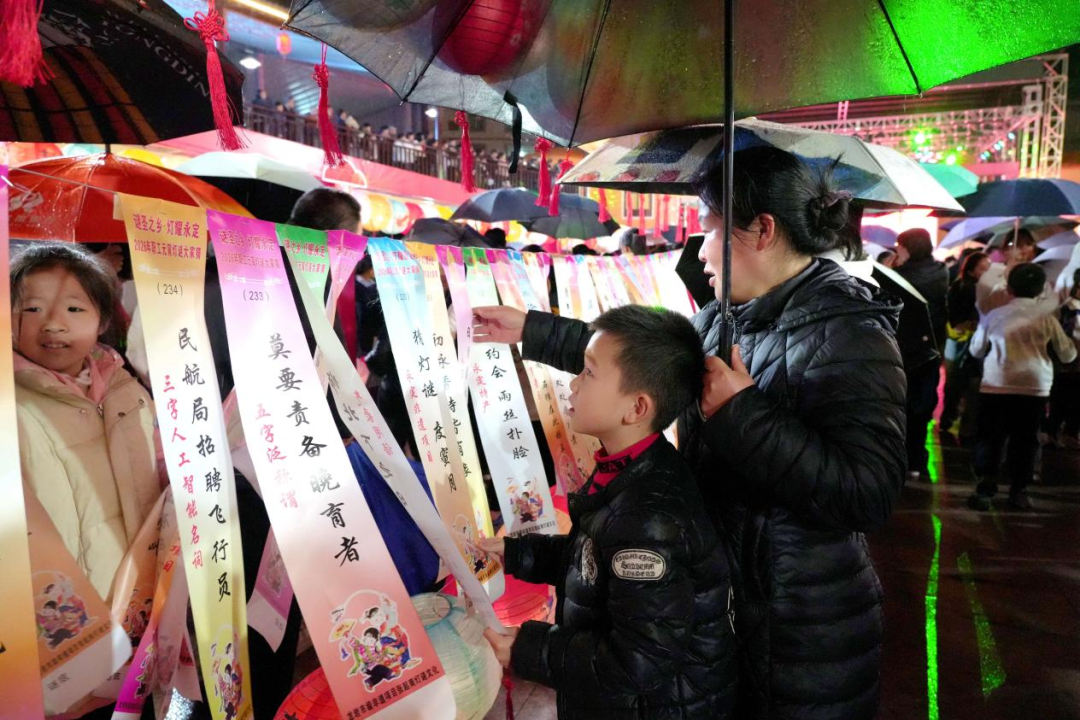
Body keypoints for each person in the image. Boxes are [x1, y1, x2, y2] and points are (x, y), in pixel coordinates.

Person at [473, 146, 905, 718]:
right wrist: (535, 330)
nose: (700, 248)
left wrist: (743, 415)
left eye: (712, 226)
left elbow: (868, 494)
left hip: (798, 629)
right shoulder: (725, 317)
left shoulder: (851, 335)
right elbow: (647, 368)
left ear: (763, 231)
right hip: (718, 607)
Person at [480, 305, 736, 718]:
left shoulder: (649, 518)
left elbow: (637, 662)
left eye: (588, 373)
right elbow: (593, 563)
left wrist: (530, 649)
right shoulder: (635, 466)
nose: (573, 384)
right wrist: (517, 554)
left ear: (636, 409)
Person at [11, 243, 162, 598]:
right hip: (65, 607)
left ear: (102, 321)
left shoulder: (126, 389)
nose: (53, 324)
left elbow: (156, 464)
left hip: (141, 588)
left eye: (74, 309)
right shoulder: (11, 405)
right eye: (32, 309)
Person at [967, 263, 1077, 511]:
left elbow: (976, 350)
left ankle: (985, 485)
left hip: (996, 384)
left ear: (1009, 288)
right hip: (1034, 387)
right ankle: (1018, 490)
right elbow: (1067, 354)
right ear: (1041, 290)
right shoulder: (1047, 319)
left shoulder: (994, 315)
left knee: (991, 436)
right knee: (1026, 439)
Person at [893, 228, 948, 477]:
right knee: (923, 405)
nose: (897, 250)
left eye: (900, 246)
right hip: (932, 348)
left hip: (905, 349)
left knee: (902, 405)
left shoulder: (902, 277)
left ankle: (902, 457)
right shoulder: (941, 271)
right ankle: (917, 458)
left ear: (909, 248)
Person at [940, 251, 991, 437]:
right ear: (970, 271)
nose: (987, 272)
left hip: (970, 342)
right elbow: (954, 315)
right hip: (960, 340)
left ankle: (958, 420)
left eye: (989, 268)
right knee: (958, 382)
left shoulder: (988, 290)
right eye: (982, 268)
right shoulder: (961, 288)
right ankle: (954, 419)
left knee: (966, 383)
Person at [1044, 268, 1080, 448]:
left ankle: (1070, 432)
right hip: (1068, 361)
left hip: (1074, 360)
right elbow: (1062, 335)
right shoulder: (1067, 308)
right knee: (1063, 396)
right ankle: (1053, 431)